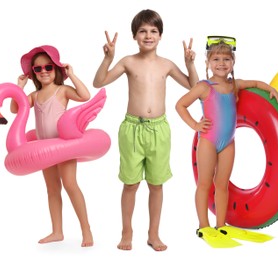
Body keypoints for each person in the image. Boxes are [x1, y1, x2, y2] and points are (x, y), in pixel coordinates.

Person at [92, 9, 198, 251]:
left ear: (161, 36)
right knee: (130, 184)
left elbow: (193, 86)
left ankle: (153, 233)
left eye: (153, 31)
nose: (148, 35)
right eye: (142, 31)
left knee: (156, 184)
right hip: (132, 129)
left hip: (159, 130)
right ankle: (126, 231)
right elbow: (99, 82)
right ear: (134, 36)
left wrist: (190, 64)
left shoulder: (167, 65)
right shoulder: (128, 62)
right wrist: (108, 59)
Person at [176, 36, 278, 248]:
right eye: (216, 59)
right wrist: (195, 126)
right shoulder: (203, 87)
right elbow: (180, 105)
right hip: (207, 140)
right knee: (205, 184)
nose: (221, 63)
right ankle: (203, 226)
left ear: (233, 63)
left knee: (222, 184)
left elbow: (255, 83)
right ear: (208, 63)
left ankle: (221, 224)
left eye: (226, 59)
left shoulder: (234, 85)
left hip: (228, 142)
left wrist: (272, 89)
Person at [10, 45, 94, 247]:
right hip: (44, 149)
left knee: (70, 185)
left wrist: (72, 75)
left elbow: (85, 96)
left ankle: (86, 230)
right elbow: (15, 109)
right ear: (33, 74)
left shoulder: (62, 90)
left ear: (57, 69)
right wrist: (19, 87)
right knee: (52, 189)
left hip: (64, 147)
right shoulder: (34, 95)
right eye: (37, 69)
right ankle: (57, 231)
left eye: (48, 67)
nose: (43, 72)